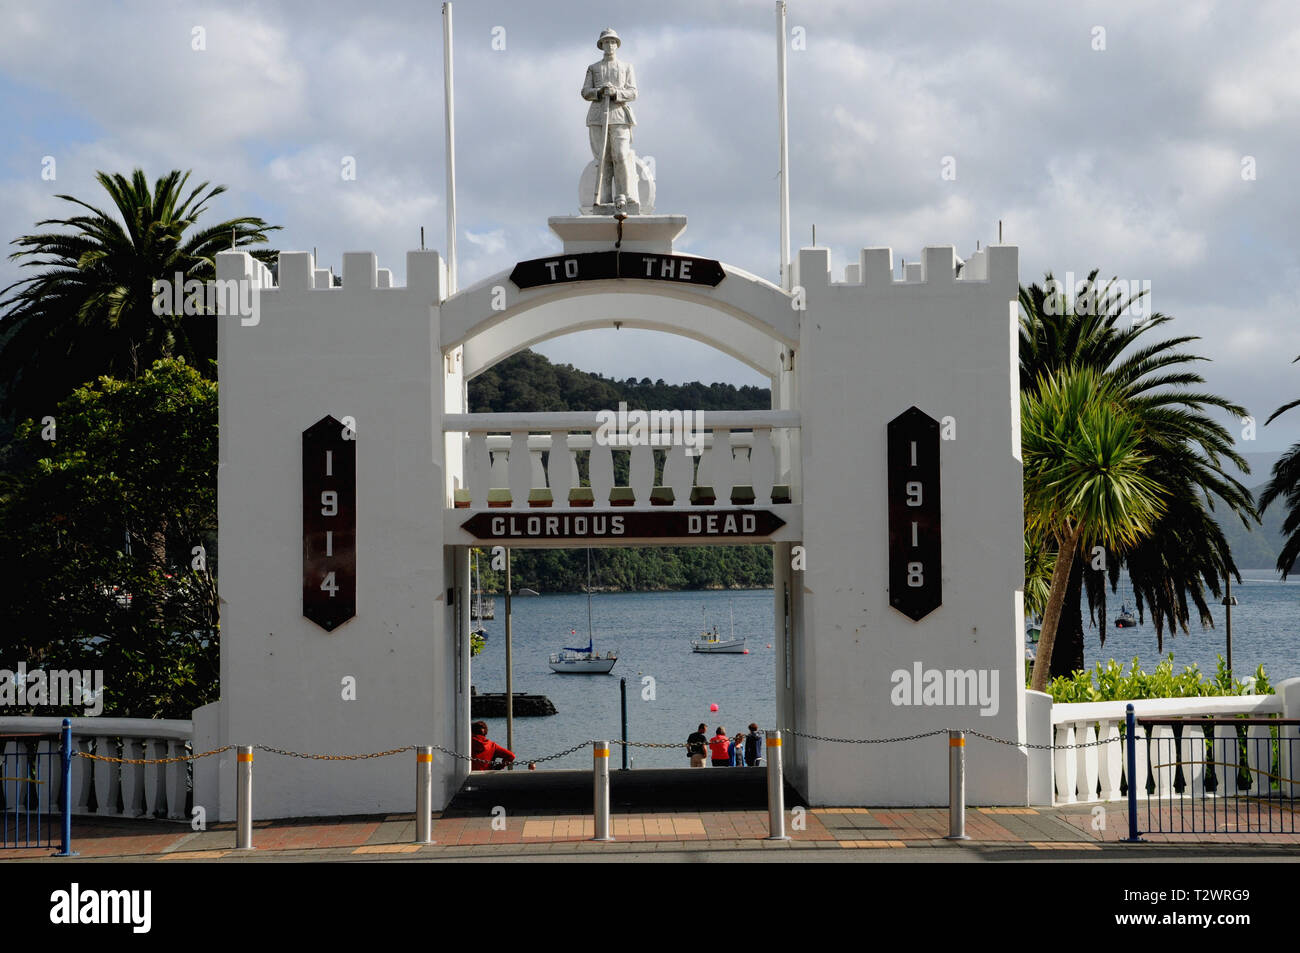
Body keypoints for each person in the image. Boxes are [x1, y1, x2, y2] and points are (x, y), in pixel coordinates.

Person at [581, 28, 640, 212]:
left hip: (619, 115)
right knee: (603, 158)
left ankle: (625, 195)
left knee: (620, 155)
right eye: (606, 42)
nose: (610, 45)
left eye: (613, 41)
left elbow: (633, 92)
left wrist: (616, 92)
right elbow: (585, 92)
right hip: (598, 116)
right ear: (601, 45)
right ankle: (604, 198)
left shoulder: (626, 67)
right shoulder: (593, 68)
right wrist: (598, 92)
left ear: (617, 44)